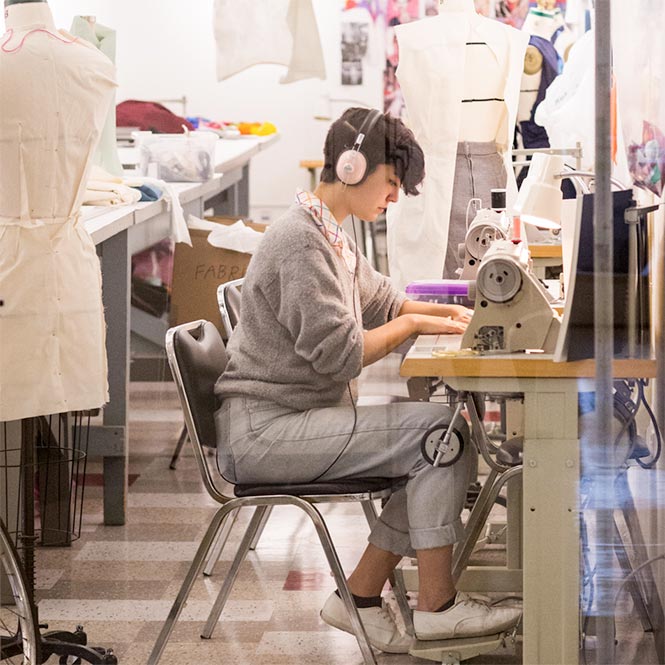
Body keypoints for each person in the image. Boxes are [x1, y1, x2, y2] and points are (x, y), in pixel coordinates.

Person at [214, 107, 521, 653]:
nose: (395, 198)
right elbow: (341, 354)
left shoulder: (327, 234)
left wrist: (452, 313)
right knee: (438, 439)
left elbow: (383, 300)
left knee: (438, 437)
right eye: (393, 183)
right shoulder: (300, 243)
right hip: (264, 434)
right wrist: (413, 322)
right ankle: (437, 607)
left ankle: (359, 596)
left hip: (294, 420)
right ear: (353, 167)